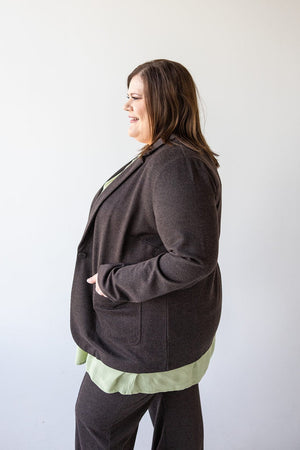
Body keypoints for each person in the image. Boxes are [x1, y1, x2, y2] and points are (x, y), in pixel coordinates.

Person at [70, 59, 222, 450]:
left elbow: (191, 257)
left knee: (96, 426)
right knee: (179, 431)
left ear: (166, 102)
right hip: (161, 330)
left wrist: (112, 281)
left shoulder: (175, 164)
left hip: (146, 337)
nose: (126, 106)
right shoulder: (161, 156)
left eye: (135, 97)